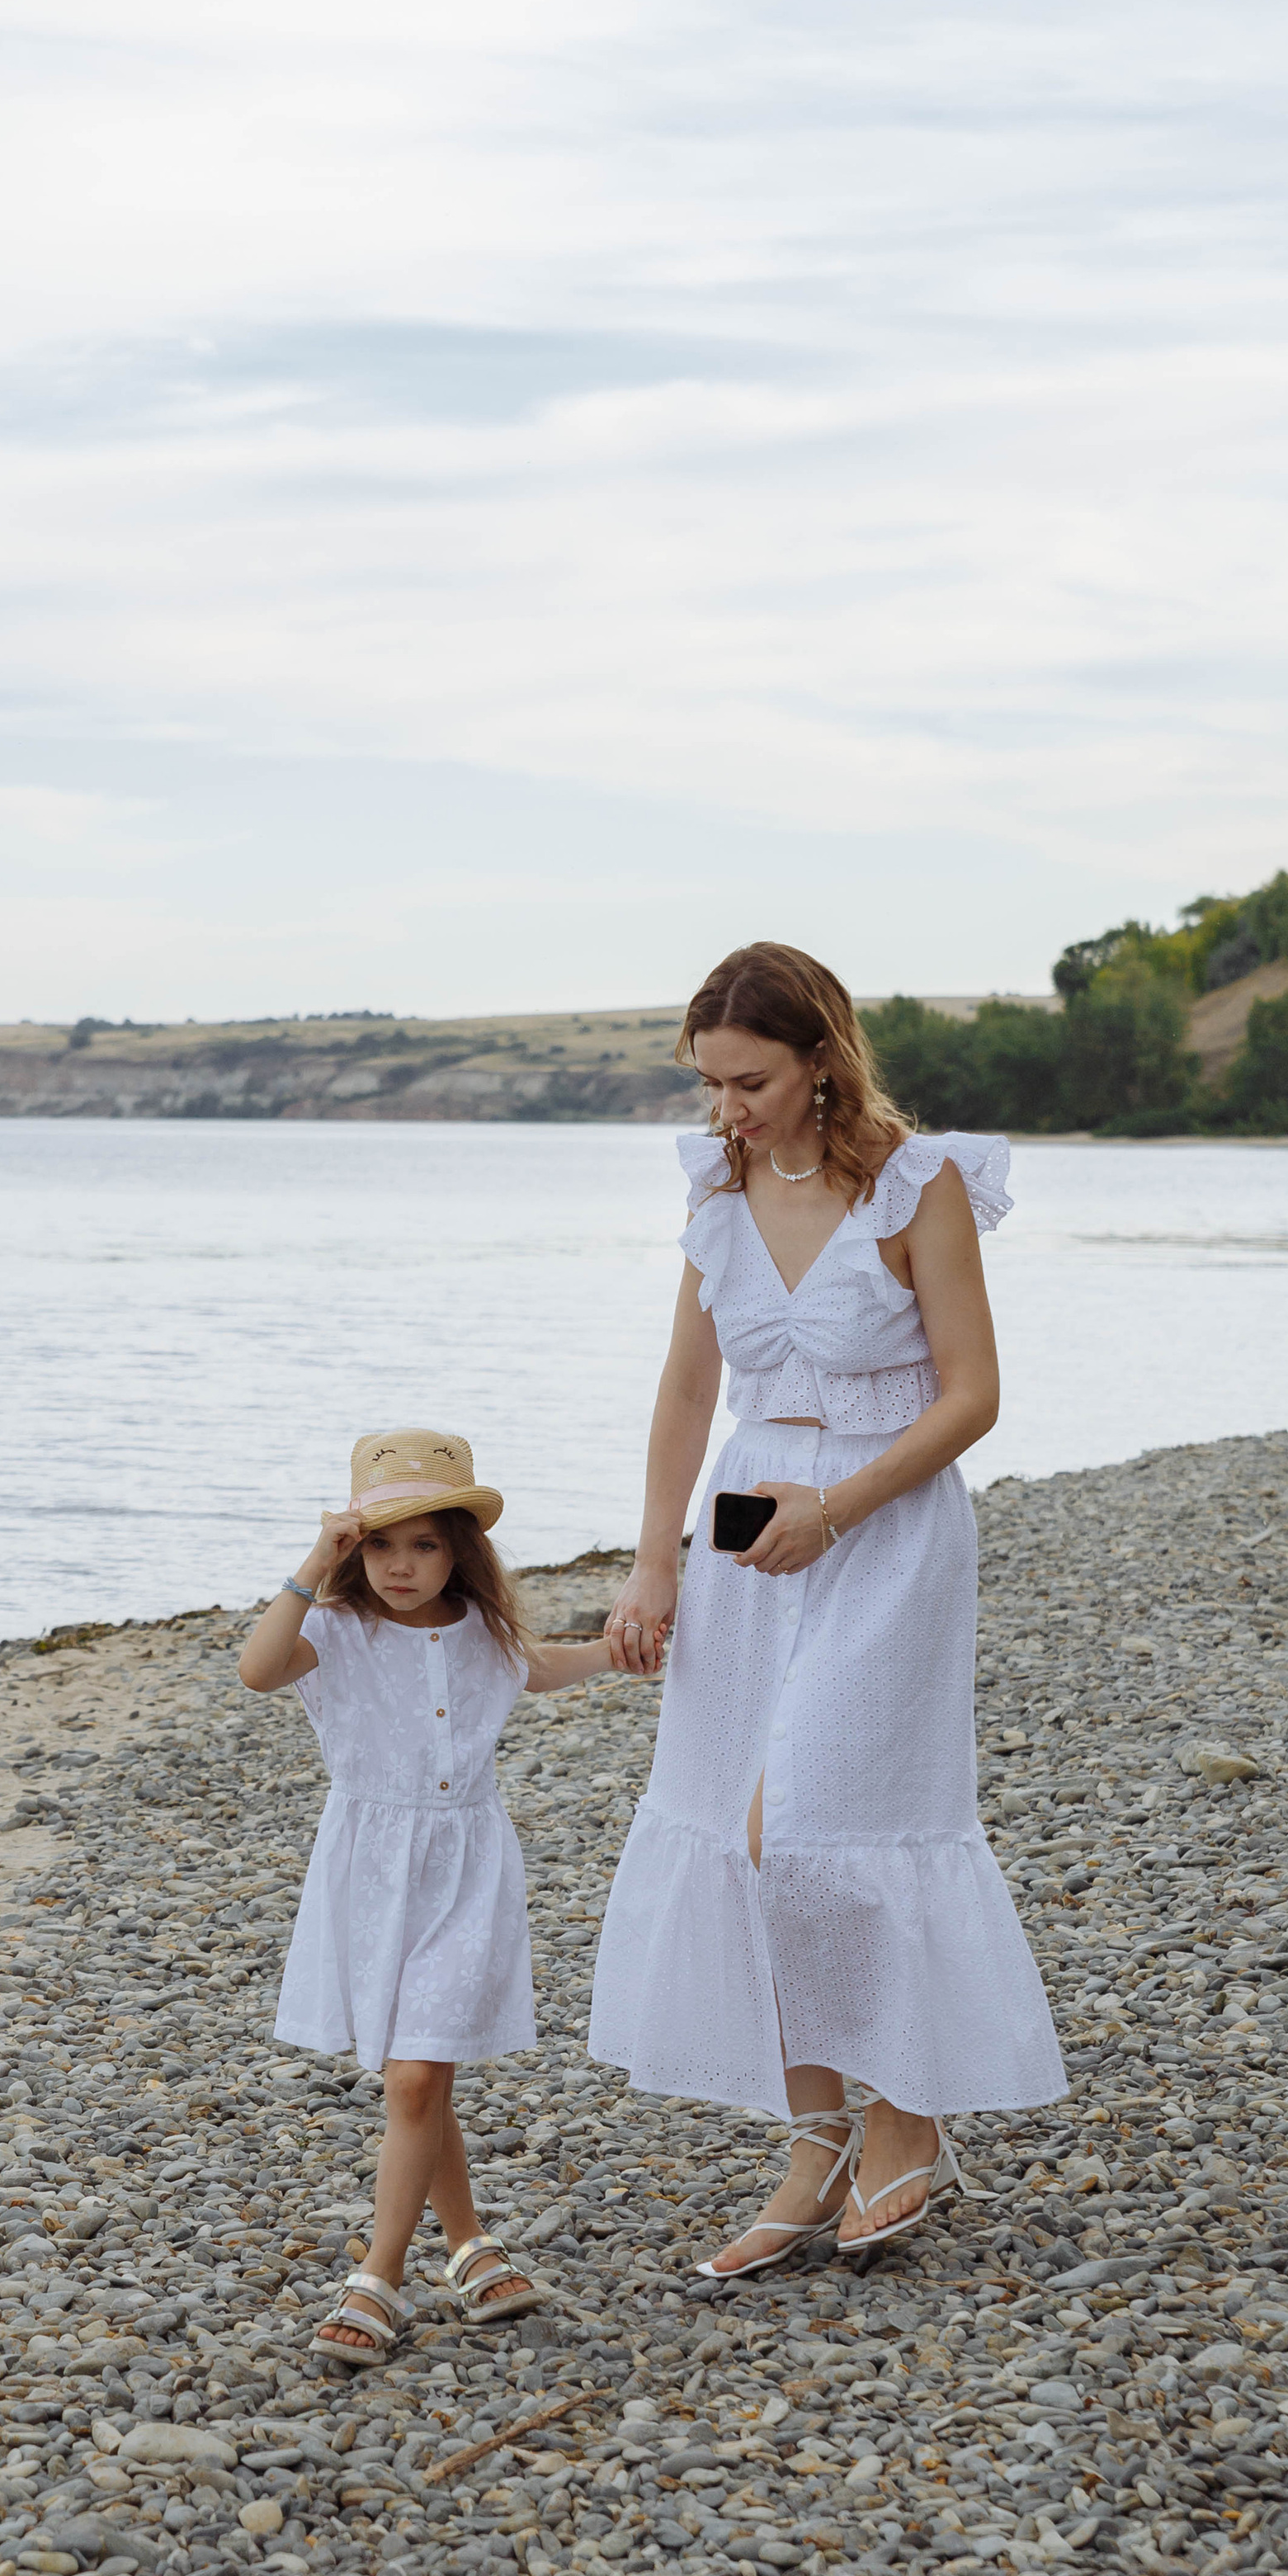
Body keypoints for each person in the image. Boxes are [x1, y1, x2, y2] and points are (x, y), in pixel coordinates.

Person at [589, 944, 1064, 2268]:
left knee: (829, 1822)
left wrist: (837, 1508)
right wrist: (654, 1563)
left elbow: (972, 1396)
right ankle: (819, 2141)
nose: (726, 1108)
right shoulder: (716, 1188)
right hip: (747, 1523)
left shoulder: (921, 1184)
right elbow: (688, 1395)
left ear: (820, 1061)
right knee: (743, 1845)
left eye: (749, 1081)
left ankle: (909, 2120)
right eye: (710, 1084)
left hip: (888, 1530)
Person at [239, 1428, 614, 2365]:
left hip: (466, 1870)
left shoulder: (486, 1636)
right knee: (422, 2066)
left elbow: (549, 1667)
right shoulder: (333, 1632)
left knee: (415, 2074)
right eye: (380, 1544)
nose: (402, 1566)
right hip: (367, 1871)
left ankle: (377, 2279)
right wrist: (311, 1564)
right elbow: (254, 1670)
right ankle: (471, 2245)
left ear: (460, 1551)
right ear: (352, 1552)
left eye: (425, 1544)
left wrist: (627, 1651)